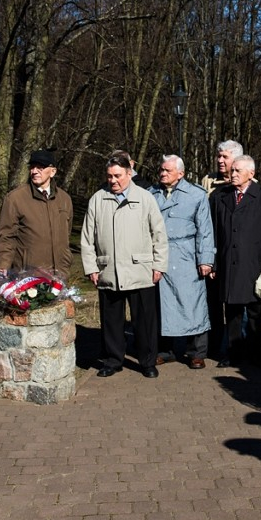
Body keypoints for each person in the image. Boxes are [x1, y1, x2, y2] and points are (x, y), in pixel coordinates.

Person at [81, 152, 168, 378]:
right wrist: (91, 267)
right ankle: (113, 360)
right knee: (111, 321)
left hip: (141, 270)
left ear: (129, 173)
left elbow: (159, 234)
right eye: (109, 176)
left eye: (118, 176)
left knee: (145, 321)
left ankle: (147, 361)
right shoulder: (97, 199)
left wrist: (159, 265)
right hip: (108, 270)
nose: (113, 181)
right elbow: (87, 238)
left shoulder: (145, 198)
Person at [209, 155, 261, 368]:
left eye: (238, 171)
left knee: (253, 311)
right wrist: (212, 261)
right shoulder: (220, 196)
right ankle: (233, 352)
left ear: (251, 174)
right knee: (231, 310)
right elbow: (212, 232)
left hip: (252, 264)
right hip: (227, 262)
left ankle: (255, 352)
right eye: (232, 171)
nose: (233, 175)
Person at [149, 155, 215, 369]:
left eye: (167, 170)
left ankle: (196, 352)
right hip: (159, 254)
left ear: (181, 173)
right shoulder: (151, 194)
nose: (162, 173)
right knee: (162, 304)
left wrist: (206, 260)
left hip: (186, 256)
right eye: (161, 170)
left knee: (193, 304)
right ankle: (164, 350)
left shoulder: (196, 195)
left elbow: (205, 230)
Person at [0, 149, 73, 278]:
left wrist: (66, 260)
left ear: (53, 171)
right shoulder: (15, 198)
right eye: (32, 167)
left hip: (59, 275)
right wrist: (2, 267)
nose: (34, 171)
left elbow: (66, 234)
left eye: (40, 167)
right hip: (26, 275)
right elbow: (6, 236)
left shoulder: (64, 199)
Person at [202, 139, 245, 359]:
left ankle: (238, 346)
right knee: (213, 303)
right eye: (218, 156)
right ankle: (214, 345)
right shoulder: (208, 182)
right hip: (214, 250)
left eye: (225, 157)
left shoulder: (249, 184)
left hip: (239, 253)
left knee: (238, 306)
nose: (220, 160)